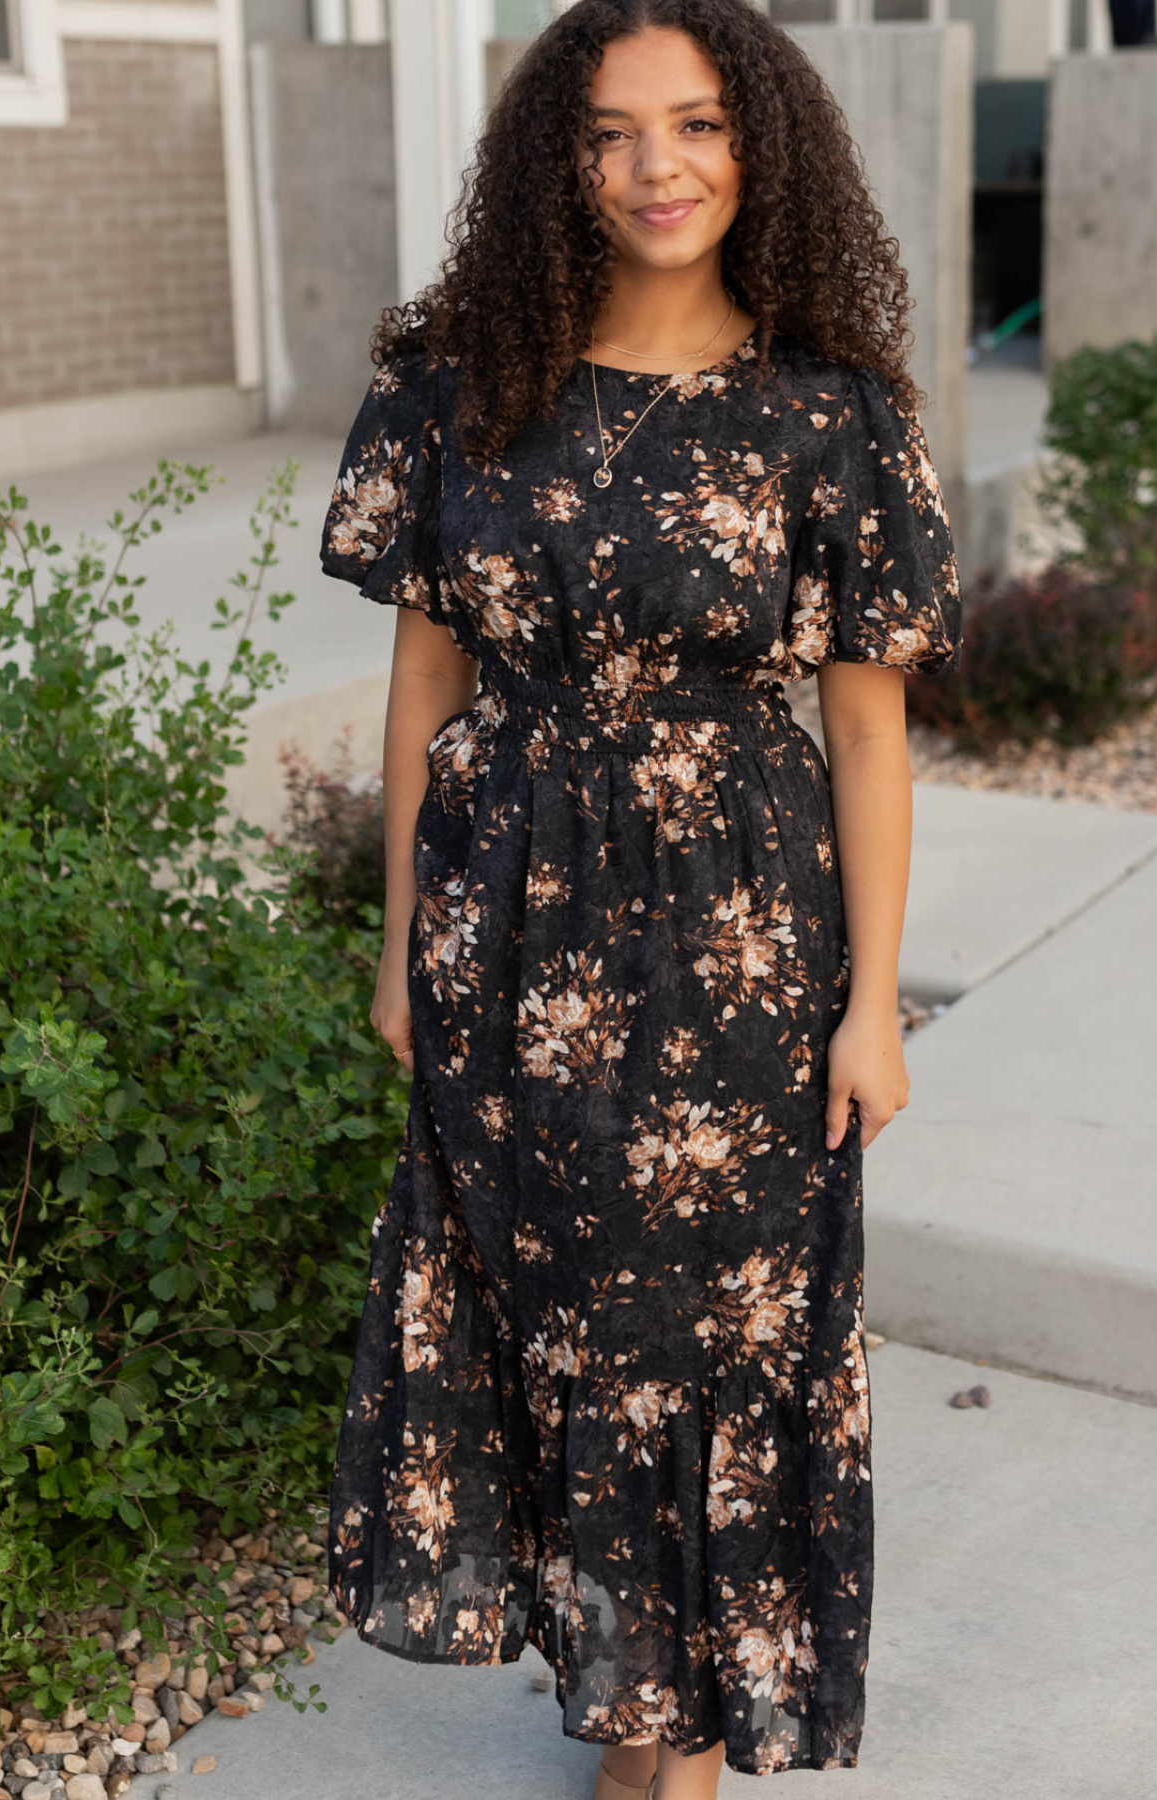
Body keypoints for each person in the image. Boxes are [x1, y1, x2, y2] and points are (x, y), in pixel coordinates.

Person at [319, 2, 962, 1794]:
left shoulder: (827, 415)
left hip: (739, 940)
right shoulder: (460, 375)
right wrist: (398, 950)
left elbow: (864, 729)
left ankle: (668, 1729)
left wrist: (872, 1001)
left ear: (759, 148)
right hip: (502, 929)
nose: (653, 168)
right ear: (557, 158)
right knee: (542, 1308)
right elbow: (423, 680)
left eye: (692, 125)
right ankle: (615, 1671)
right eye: (607, 133)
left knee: (711, 1322)